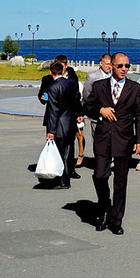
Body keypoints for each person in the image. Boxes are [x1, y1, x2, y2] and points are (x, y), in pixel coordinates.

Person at [84, 51, 140, 235]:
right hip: (103, 138)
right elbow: (87, 106)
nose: (124, 69)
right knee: (100, 176)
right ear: (111, 66)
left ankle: (116, 219)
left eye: (127, 66)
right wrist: (100, 110)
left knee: (121, 182)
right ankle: (104, 207)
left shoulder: (135, 89)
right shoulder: (99, 86)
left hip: (124, 139)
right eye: (120, 66)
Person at [44, 60, 83, 189]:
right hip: (70, 123)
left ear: (51, 73)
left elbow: (54, 111)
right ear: (63, 71)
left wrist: (51, 130)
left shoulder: (52, 88)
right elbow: (77, 99)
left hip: (59, 125)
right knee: (68, 152)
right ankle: (65, 178)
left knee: (59, 154)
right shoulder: (71, 83)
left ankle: (62, 180)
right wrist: (78, 114)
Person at [82, 54, 113, 139]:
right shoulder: (92, 76)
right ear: (101, 63)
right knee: (98, 140)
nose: (109, 66)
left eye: (110, 64)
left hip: (112, 114)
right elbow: (87, 94)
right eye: (107, 64)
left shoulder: (114, 76)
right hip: (97, 115)